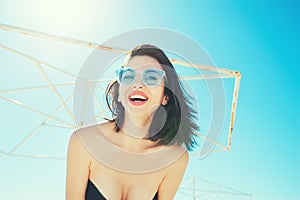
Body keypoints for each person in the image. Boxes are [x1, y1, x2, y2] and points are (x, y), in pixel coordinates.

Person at [66, 44, 199, 200]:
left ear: (166, 97)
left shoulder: (175, 158)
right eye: (128, 76)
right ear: (120, 93)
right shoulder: (83, 142)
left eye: (151, 77)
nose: (137, 83)